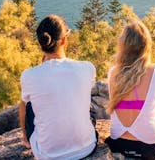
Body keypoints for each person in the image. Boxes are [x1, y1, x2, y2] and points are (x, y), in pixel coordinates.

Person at [19, 15, 97, 160]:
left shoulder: (29, 75)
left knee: (26, 102)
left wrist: (26, 137)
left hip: (48, 155)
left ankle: (26, 141)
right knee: (86, 101)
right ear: (64, 40)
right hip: (87, 147)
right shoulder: (87, 67)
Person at [105, 19, 155, 159]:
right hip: (150, 148)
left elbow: (127, 105)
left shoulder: (112, 72)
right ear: (146, 45)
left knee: (135, 102)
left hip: (118, 144)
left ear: (123, 46)